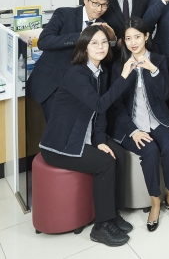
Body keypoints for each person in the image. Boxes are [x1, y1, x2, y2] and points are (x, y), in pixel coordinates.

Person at [39, 26, 135, 247]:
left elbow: (100, 114)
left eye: (104, 42)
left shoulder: (100, 72)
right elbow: (100, 104)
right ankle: (101, 226)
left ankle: (112, 213)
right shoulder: (77, 74)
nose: (101, 47)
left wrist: (100, 141)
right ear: (84, 47)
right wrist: (123, 77)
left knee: (119, 154)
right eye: (94, 43)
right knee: (104, 163)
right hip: (61, 145)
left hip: (86, 136)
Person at [110, 17, 169, 231]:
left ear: (146, 37)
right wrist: (133, 131)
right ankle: (155, 202)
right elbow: (116, 105)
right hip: (132, 124)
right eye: (128, 38)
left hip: (158, 119)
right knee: (150, 151)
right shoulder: (119, 66)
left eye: (137, 37)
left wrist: (153, 70)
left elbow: (166, 94)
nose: (133, 42)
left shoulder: (159, 60)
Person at [28, 0, 117, 121]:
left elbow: (104, 57)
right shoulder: (64, 14)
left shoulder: (103, 25)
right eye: (95, 3)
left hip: (79, 87)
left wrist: (112, 39)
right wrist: (82, 35)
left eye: (104, 5)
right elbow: (44, 41)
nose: (99, 9)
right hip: (53, 83)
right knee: (55, 128)